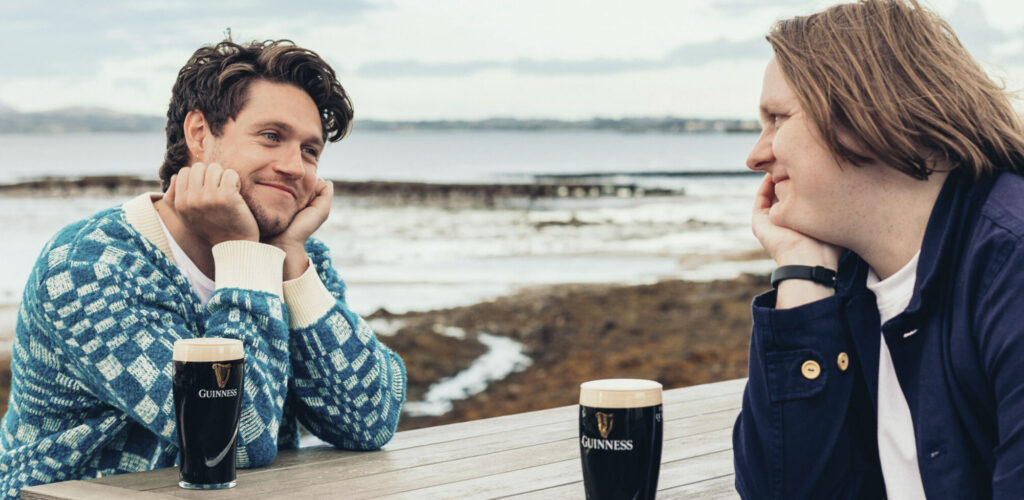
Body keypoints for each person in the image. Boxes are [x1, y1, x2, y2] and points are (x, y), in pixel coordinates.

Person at [0, 39, 407, 497]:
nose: (295, 167)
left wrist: (293, 264)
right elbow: (235, 444)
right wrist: (239, 250)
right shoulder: (90, 266)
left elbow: (369, 422)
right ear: (198, 134)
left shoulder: (292, 257)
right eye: (271, 136)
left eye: (311, 150)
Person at [733, 0, 1024, 498]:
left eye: (778, 119)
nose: (756, 156)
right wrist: (802, 271)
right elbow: (781, 489)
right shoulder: (849, 278)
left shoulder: (1010, 267)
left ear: (869, 113)